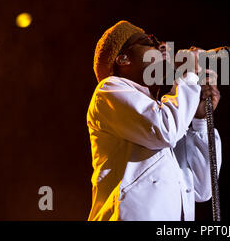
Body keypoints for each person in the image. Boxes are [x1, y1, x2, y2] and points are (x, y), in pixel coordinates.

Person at [87, 20, 222, 220]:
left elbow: (203, 189)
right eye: (149, 41)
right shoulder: (109, 90)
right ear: (123, 59)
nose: (162, 46)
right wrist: (190, 75)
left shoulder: (165, 110)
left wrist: (200, 120)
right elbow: (165, 131)